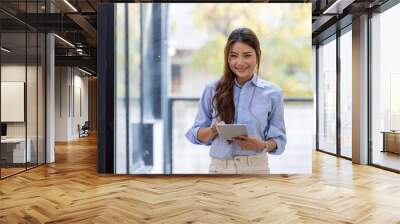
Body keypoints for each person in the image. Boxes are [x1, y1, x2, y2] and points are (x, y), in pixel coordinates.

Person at [185, 27, 286, 174]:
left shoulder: (273, 93)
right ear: (227, 57)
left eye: (247, 55)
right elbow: (194, 134)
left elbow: (279, 141)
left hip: (256, 169)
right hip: (219, 170)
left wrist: (261, 145)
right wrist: (213, 130)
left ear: (257, 55)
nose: (240, 62)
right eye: (234, 56)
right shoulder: (212, 89)